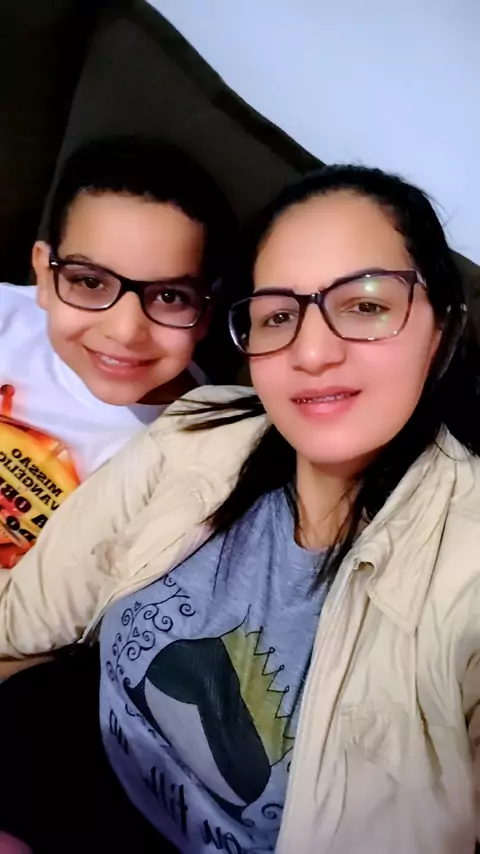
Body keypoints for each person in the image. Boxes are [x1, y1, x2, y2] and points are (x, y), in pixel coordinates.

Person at [0, 164, 479, 854]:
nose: (312, 351)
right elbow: (20, 624)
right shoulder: (199, 432)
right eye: (279, 315)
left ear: (441, 328)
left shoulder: (467, 569)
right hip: (54, 760)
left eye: (365, 305)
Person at [0, 134, 236, 570]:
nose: (125, 332)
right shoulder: (5, 319)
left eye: (169, 296)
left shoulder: (192, 450)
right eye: (91, 282)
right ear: (45, 276)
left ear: (207, 311)